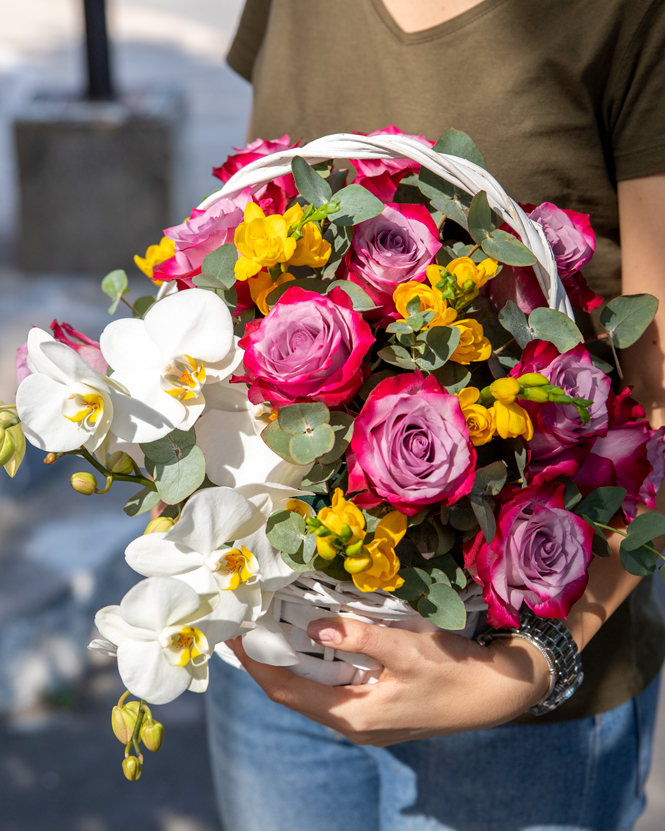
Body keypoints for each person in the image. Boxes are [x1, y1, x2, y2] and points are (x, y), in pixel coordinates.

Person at [207, 2, 665, 829]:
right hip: (279, 656)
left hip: (520, 710)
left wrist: (530, 663)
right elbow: (255, 230)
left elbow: (661, 402)